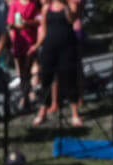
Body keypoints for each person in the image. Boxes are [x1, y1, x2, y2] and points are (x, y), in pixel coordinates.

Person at [32, 0, 81, 128]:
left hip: (67, 47)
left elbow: (72, 20)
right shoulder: (46, 8)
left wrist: (66, 6)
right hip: (49, 47)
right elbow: (43, 30)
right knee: (46, 80)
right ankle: (42, 111)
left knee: (69, 78)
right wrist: (36, 45)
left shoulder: (70, 5)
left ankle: (75, 114)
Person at [5, 0, 38, 110]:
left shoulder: (34, 3)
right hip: (19, 42)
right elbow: (10, 23)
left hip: (32, 41)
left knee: (30, 69)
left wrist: (27, 23)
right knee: (23, 72)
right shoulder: (15, 4)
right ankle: (25, 97)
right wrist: (16, 26)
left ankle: (30, 94)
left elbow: (39, 21)